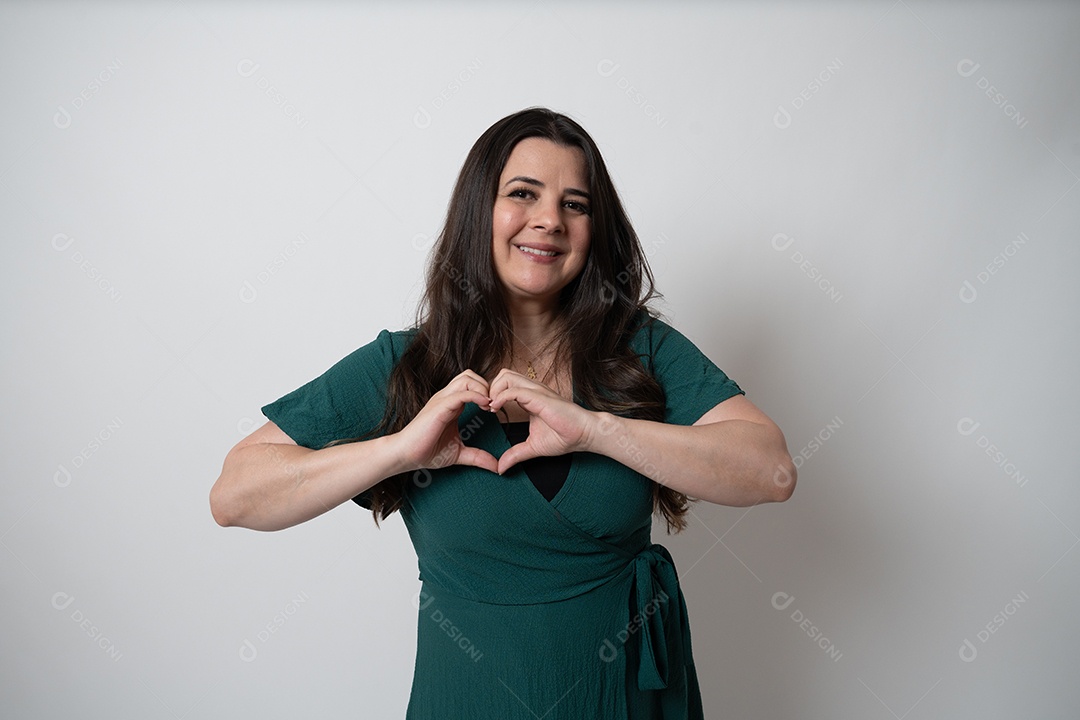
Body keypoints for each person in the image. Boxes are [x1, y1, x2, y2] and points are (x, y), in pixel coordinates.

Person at [210, 107, 797, 719]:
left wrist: (598, 430)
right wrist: (399, 450)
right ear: (478, 212)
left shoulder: (640, 351)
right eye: (523, 194)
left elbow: (774, 471)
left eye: (575, 204)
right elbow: (234, 497)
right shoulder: (405, 365)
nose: (550, 220)